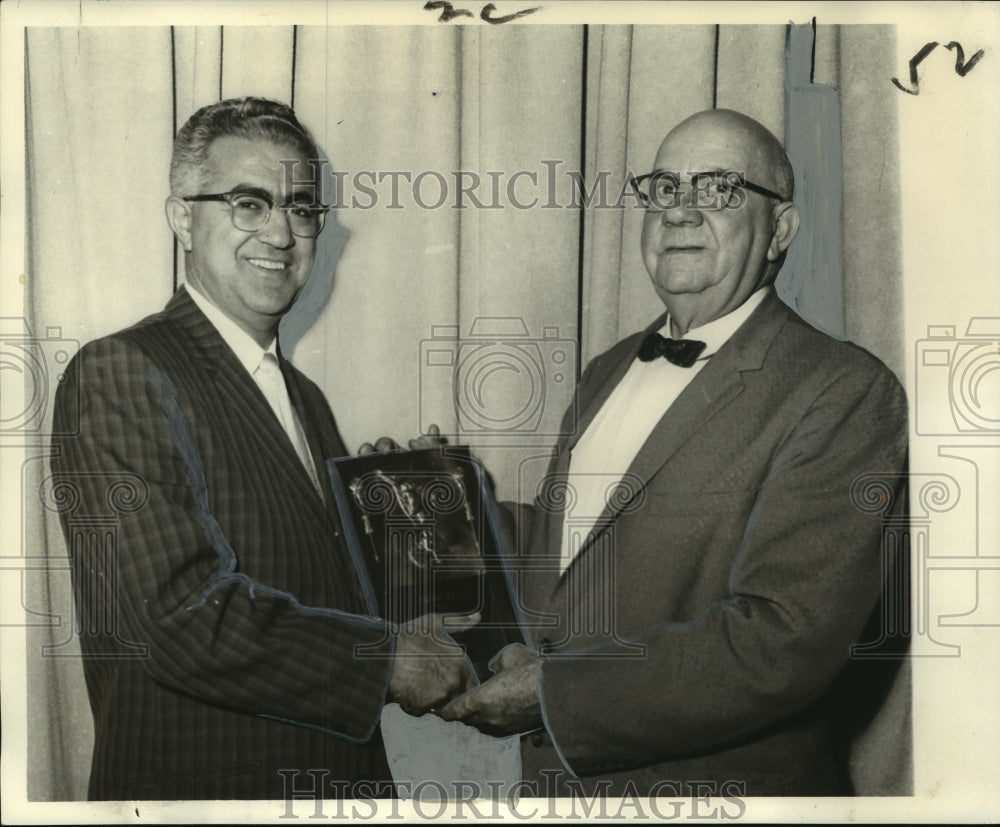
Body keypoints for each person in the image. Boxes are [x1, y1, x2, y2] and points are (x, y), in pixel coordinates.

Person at [441, 109, 910, 796]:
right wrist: (453, 503)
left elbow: (784, 640)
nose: (681, 212)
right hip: (560, 789)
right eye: (664, 188)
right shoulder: (608, 368)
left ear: (780, 229)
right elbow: (573, 550)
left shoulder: (844, 390)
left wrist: (557, 696)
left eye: (718, 189)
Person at [50, 97, 477, 801]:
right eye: (249, 203)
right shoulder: (122, 369)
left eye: (301, 207)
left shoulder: (304, 397)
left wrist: (416, 528)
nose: (282, 231)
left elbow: (325, 592)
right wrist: (385, 659)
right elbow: (181, 618)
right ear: (182, 215)